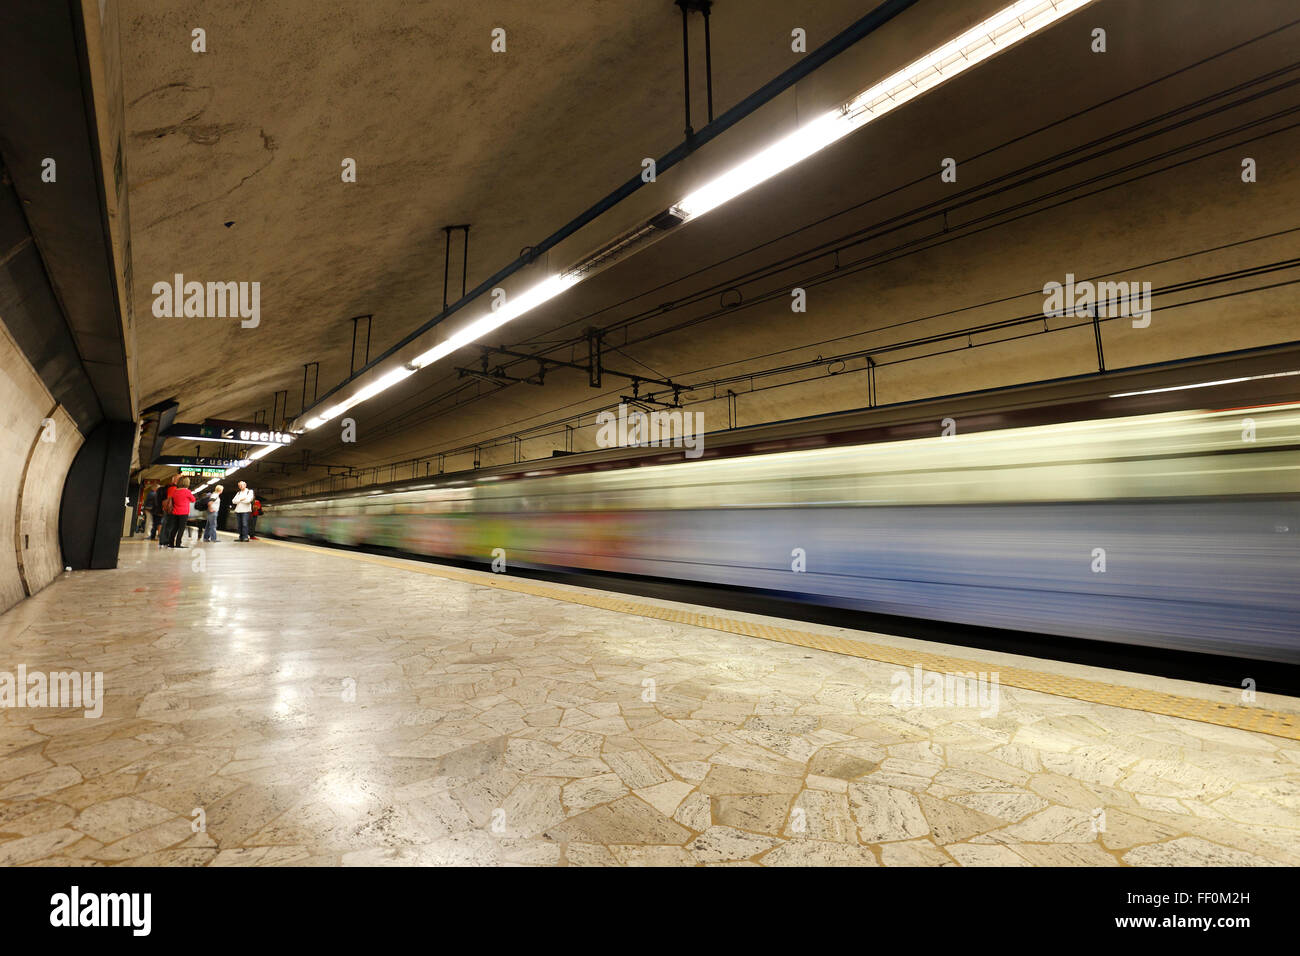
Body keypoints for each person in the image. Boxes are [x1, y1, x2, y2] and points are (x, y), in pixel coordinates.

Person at [167, 477, 196, 548]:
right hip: (184, 513)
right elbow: (193, 500)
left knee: (175, 528)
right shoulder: (187, 491)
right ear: (187, 483)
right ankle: (178, 544)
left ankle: (170, 543)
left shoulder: (175, 491)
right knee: (181, 528)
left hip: (175, 512)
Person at [157, 475, 178, 548]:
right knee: (169, 525)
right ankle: (165, 541)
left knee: (166, 525)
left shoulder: (168, 487)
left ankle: (163, 541)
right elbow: (170, 499)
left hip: (166, 509)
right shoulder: (173, 488)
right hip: (170, 510)